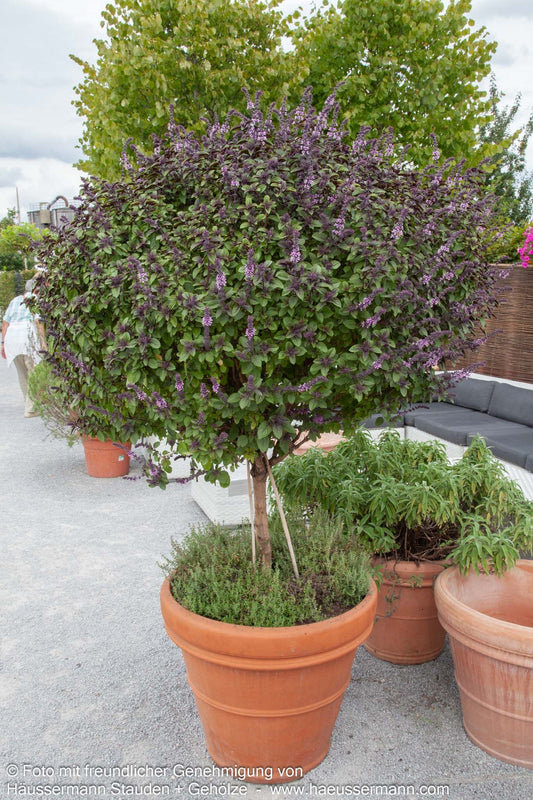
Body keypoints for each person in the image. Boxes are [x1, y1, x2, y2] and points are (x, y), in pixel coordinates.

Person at [1, 278, 46, 417]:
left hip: (12, 340)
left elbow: (5, 323)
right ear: (36, 290)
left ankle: (30, 404)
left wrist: (3, 343)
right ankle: (31, 408)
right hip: (27, 339)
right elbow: (38, 321)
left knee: (22, 374)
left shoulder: (15, 300)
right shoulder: (36, 300)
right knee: (33, 373)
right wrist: (44, 342)